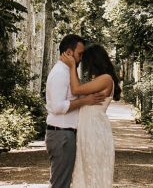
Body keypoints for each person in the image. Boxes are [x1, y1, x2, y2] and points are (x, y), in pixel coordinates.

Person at [45, 34, 107, 188]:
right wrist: (84, 101)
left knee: (64, 182)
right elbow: (57, 107)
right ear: (68, 52)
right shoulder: (60, 73)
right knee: (60, 184)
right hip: (61, 134)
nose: (81, 58)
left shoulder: (68, 72)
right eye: (79, 54)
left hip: (66, 134)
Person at [62, 43, 120, 188]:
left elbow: (76, 89)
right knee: (86, 168)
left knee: (93, 169)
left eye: (85, 59)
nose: (82, 62)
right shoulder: (98, 79)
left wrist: (71, 66)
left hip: (94, 129)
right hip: (89, 128)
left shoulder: (105, 79)